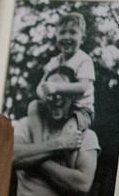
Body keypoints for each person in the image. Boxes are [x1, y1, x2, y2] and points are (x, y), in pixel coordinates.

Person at [13, 66, 100, 196]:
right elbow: (12, 156)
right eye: (50, 91)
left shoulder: (86, 136)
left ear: (73, 96)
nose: (56, 97)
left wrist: (32, 157)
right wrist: (59, 144)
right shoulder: (25, 126)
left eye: (62, 91)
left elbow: (82, 186)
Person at [27, 12, 95, 147]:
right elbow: (40, 86)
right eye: (62, 32)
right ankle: (38, 145)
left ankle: (63, 154)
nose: (66, 37)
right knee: (33, 106)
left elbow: (82, 87)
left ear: (82, 38)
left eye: (73, 32)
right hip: (55, 106)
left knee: (68, 131)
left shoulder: (84, 60)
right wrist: (43, 94)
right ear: (56, 36)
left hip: (79, 110)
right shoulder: (55, 61)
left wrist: (56, 87)